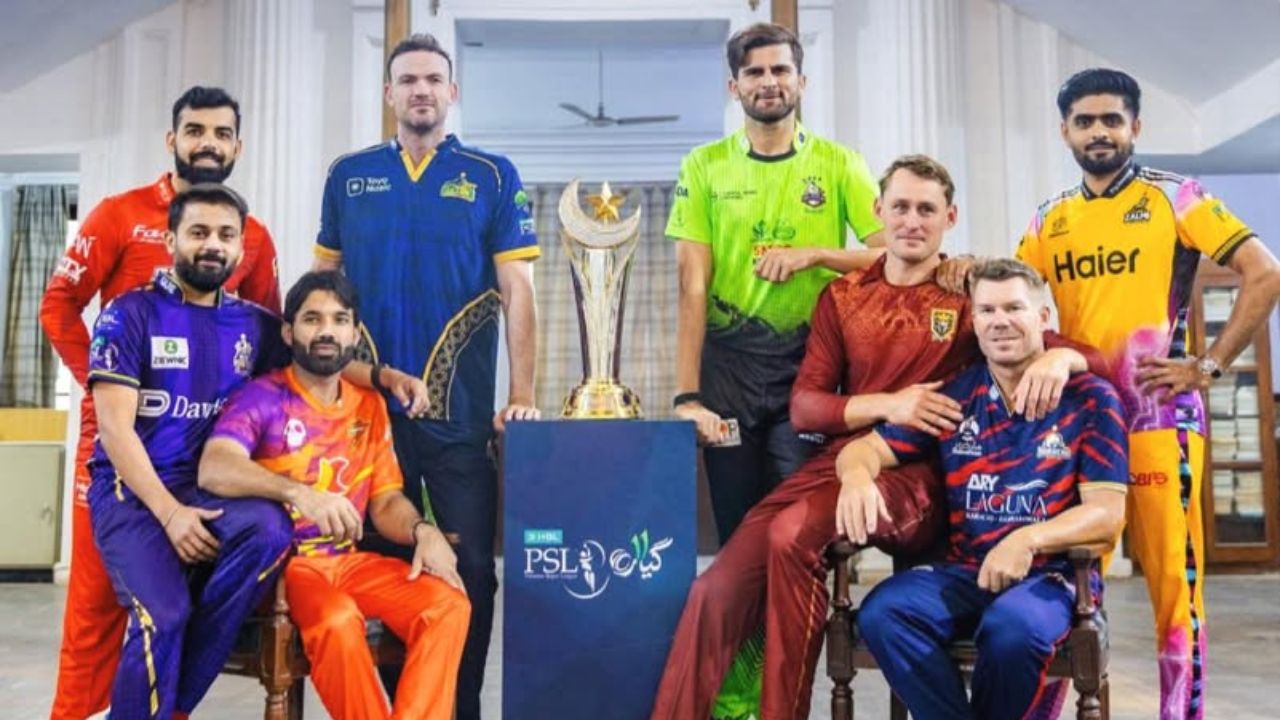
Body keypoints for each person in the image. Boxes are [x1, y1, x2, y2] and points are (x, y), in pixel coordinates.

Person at [650, 157, 1103, 720]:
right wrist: (890, 404)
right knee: (715, 588)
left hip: (927, 472)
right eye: (901, 207)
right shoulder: (842, 296)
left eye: (926, 209)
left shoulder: (968, 294)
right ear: (877, 212)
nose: (912, 221)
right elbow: (806, 405)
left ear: (949, 218)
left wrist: (1061, 357)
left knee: (791, 537)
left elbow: (1091, 356)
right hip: (847, 460)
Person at [1017, 68, 1280, 720]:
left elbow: (1265, 273)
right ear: (1064, 132)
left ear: (1135, 126)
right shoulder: (1049, 219)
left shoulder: (1176, 197)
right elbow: (1016, 304)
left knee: (1173, 593)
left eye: (1112, 119)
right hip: (1080, 428)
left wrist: (1209, 366)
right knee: (1061, 589)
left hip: (1160, 422)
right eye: (1085, 121)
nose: (1099, 132)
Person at [313, 33, 539, 720]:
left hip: (460, 420)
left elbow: (518, 290)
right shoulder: (348, 175)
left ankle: (458, 709)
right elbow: (320, 298)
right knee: (380, 569)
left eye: (434, 79)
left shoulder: (491, 174)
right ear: (389, 94)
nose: (421, 90)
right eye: (408, 80)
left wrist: (521, 395)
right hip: (365, 420)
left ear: (452, 92)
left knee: (470, 572)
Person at [39, 85, 282, 720]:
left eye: (222, 133)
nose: (208, 144)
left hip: (204, 461)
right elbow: (58, 306)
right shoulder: (118, 215)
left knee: (193, 593)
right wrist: (104, 384)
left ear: (237, 146)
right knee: (95, 609)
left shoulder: (255, 235)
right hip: (116, 443)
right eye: (195, 131)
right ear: (172, 140)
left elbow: (277, 348)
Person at [849, 258, 1129, 720]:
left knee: (1013, 629)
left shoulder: (1092, 398)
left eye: (1014, 308)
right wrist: (857, 477)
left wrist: (1026, 540)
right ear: (974, 322)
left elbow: (1107, 515)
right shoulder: (955, 398)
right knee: (883, 613)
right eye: (987, 311)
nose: (1000, 321)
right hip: (966, 572)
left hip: (1054, 579)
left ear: (1042, 318)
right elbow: (863, 451)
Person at [199, 271, 471, 720]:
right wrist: (299, 494)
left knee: (447, 605)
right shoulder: (262, 397)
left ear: (355, 334)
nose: (327, 330)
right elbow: (214, 467)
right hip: (288, 570)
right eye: (312, 319)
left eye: (339, 319)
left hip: (348, 563)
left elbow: (386, 502)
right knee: (338, 621)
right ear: (289, 333)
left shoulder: (369, 404)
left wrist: (424, 531)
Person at [668, 21, 885, 545]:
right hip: (728, 374)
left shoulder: (840, 163)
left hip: (809, 369)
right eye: (754, 72)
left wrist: (816, 255)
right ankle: (744, 607)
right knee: (738, 529)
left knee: (799, 528)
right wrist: (686, 395)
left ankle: (799, 606)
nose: (769, 82)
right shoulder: (703, 166)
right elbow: (691, 287)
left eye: (781, 70)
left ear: (801, 82)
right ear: (734, 86)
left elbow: (889, 257)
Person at [84, 184, 295, 718]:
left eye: (226, 235)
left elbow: (321, 352)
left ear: (241, 248)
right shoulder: (128, 314)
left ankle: (168, 708)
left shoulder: (255, 324)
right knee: (166, 615)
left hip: (204, 489)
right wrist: (171, 513)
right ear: (171, 240)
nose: (212, 245)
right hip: (131, 494)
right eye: (198, 232)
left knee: (270, 529)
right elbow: (114, 431)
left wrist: (384, 377)